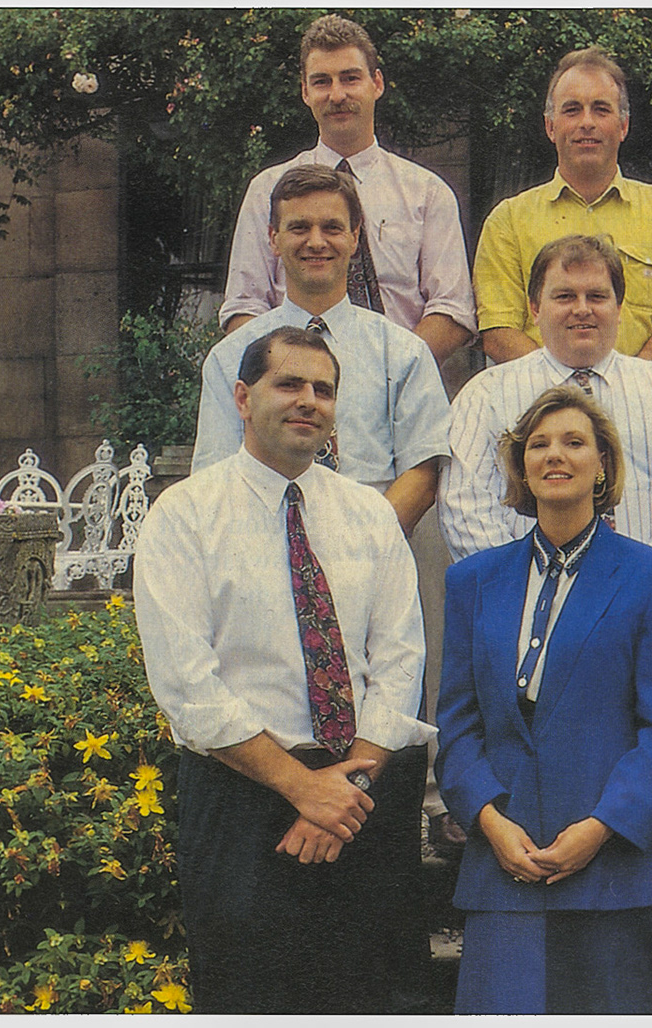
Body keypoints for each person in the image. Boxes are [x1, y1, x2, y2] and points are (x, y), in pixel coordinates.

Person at [134, 326, 436, 1012]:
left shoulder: (369, 516)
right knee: (251, 998)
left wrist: (342, 790)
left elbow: (400, 662)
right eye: (289, 384)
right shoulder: (183, 517)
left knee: (376, 1001)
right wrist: (303, 788)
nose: (309, 401)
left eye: (323, 389)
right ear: (242, 397)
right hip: (243, 798)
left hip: (363, 795)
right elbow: (188, 686)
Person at [436, 385, 652, 1013]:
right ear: (521, 465)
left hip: (613, 871)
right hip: (504, 868)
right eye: (539, 444)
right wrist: (492, 825)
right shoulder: (472, 580)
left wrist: (599, 828)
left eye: (575, 442)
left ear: (603, 463)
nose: (556, 454)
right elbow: (457, 727)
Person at [440, 234, 652, 578]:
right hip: (526, 602)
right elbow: (464, 507)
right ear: (535, 308)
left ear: (619, 309)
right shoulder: (486, 394)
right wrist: (529, 586)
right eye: (564, 296)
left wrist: (638, 580)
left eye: (597, 296)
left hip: (641, 602)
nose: (582, 308)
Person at [195, 165, 450, 537]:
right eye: (299, 227)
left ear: (354, 237)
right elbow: (213, 476)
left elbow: (423, 472)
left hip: (371, 553)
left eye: (331, 227)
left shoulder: (402, 353)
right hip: (259, 553)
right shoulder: (229, 357)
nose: (316, 242)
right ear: (273, 238)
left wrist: (361, 548)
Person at [219, 13, 474, 365]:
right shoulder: (268, 191)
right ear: (305, 91)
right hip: (294, 393)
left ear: (377, 84)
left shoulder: (428, 194)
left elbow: (451, 309)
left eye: (350, 78)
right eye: (322, 81)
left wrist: (391, 377)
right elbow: (243, 308)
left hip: (399, 389)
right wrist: (294, 375)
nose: (337, 94)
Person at [472, 47, 652, 366]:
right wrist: (567, 392)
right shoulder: (507, 221)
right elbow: (498, 332)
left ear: (623, 126)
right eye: (571, 110)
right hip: (541, 409)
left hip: (644, 403)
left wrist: (623, 388)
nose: (586, 122)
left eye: (601, 109)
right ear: (550, 127)